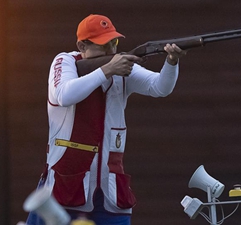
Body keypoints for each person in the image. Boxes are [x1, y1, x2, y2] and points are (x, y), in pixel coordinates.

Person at [26, 14, 186, 225]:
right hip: (65, 189)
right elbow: (65, 95)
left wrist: (171, 62)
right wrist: (106, 70)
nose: (111, 50)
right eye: (103, 45)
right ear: (82, 46)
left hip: (110, 190)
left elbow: (159, 87)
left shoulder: (121, 66)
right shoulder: (65, 61)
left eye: (114, 42)